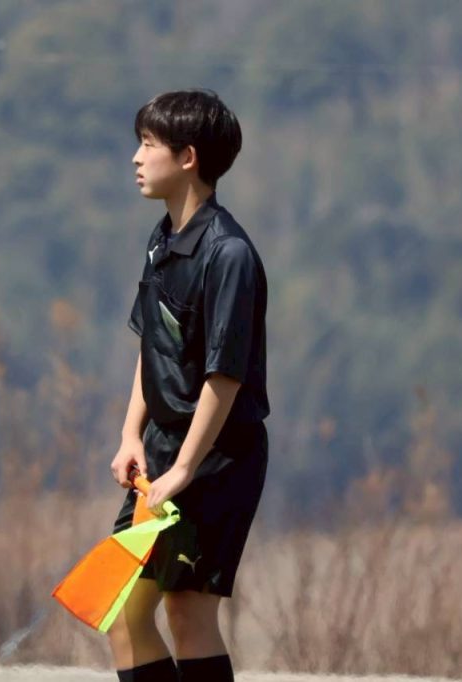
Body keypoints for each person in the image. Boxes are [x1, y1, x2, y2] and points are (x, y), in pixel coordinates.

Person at [108, 90, 270, 682]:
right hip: (162, 452)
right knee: (122, 609)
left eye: (148, 144)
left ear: (188, 157)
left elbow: (224, 377)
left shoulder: (229, 254)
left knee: (187, 611)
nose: (136, 157)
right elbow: (153, 345)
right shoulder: (162, 239)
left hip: (216, 457)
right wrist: (131, 435)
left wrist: (184, 469)